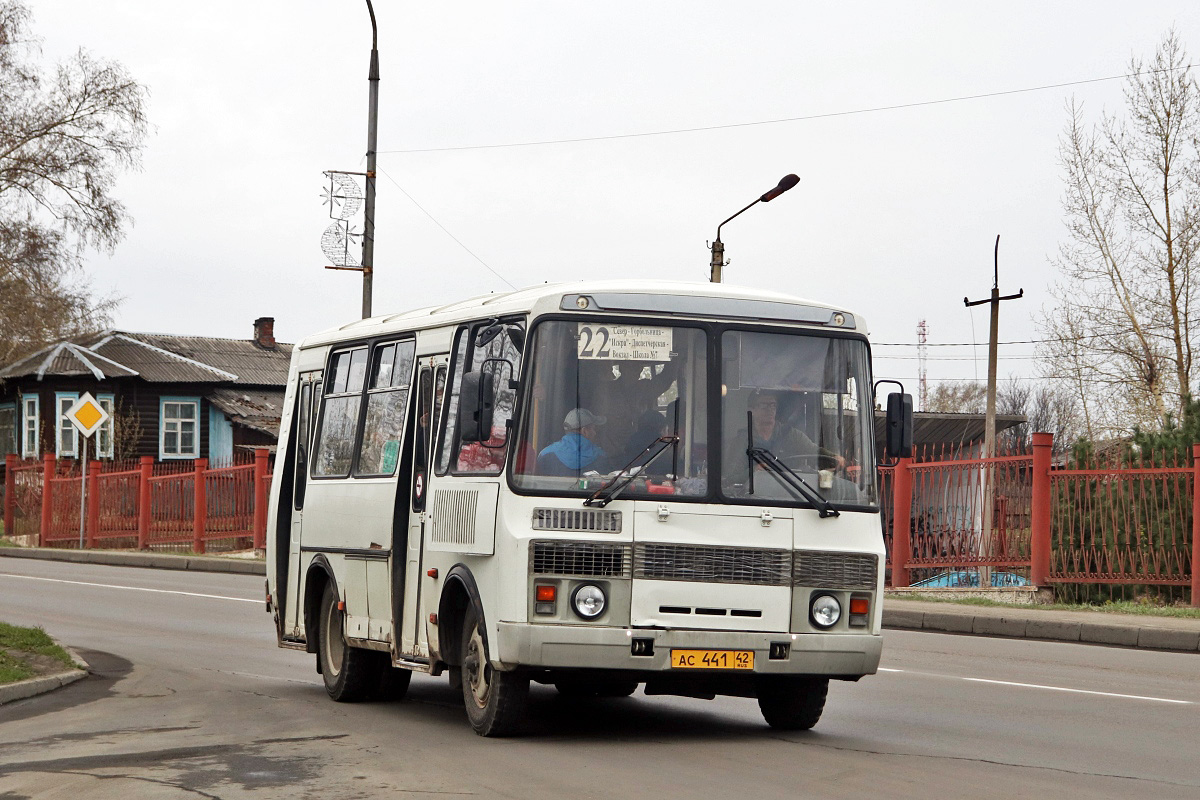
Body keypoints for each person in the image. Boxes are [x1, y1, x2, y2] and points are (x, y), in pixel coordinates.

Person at [730, 390, 845, 471]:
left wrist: (834, 458)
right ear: (752, 411)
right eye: (764, 405)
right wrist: (754, 471)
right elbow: (730, 477)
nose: (770, 410)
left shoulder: (789, 434)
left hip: (789, 494)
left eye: (773, 405)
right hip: (752, 498)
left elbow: (813, 451)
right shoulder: (742, 440)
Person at [537, 408, 608, 476]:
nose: (595, 433)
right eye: (593, 429)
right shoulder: (600, 456)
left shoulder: (545, 454)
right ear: (584, 431)